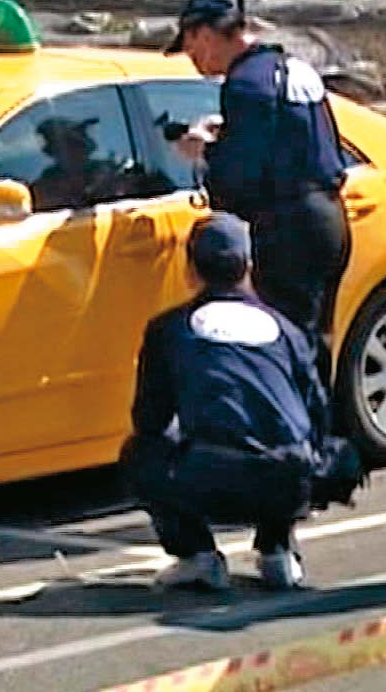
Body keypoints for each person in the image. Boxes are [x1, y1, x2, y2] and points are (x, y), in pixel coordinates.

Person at [124, 213, 334, 591]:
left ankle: (198, 555)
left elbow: (149, 418)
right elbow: (317, 413)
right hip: (291, 482)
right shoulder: (287, 330)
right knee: (290, 445)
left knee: (142, 452)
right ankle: (277, 549)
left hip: (213, 482)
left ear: (191, 270)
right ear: (249, 267)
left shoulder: (169, 328)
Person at [165, 0, 350, 375]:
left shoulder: (244, 85)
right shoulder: (287, 66)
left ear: (206, 34)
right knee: (313, 342)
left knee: (283, 344)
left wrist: (205, 152)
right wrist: (230, 133)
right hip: (329, 218)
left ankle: (295, 430)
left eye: (191, 46)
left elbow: (241, 177)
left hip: (288, 227)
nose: (193, 59)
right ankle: (316, 426)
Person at [29, 116, 128, 211]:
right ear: (53, 152)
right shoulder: (48, 181)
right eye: (65, 147)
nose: (72, 152)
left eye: (76, 145)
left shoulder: (108, 173)